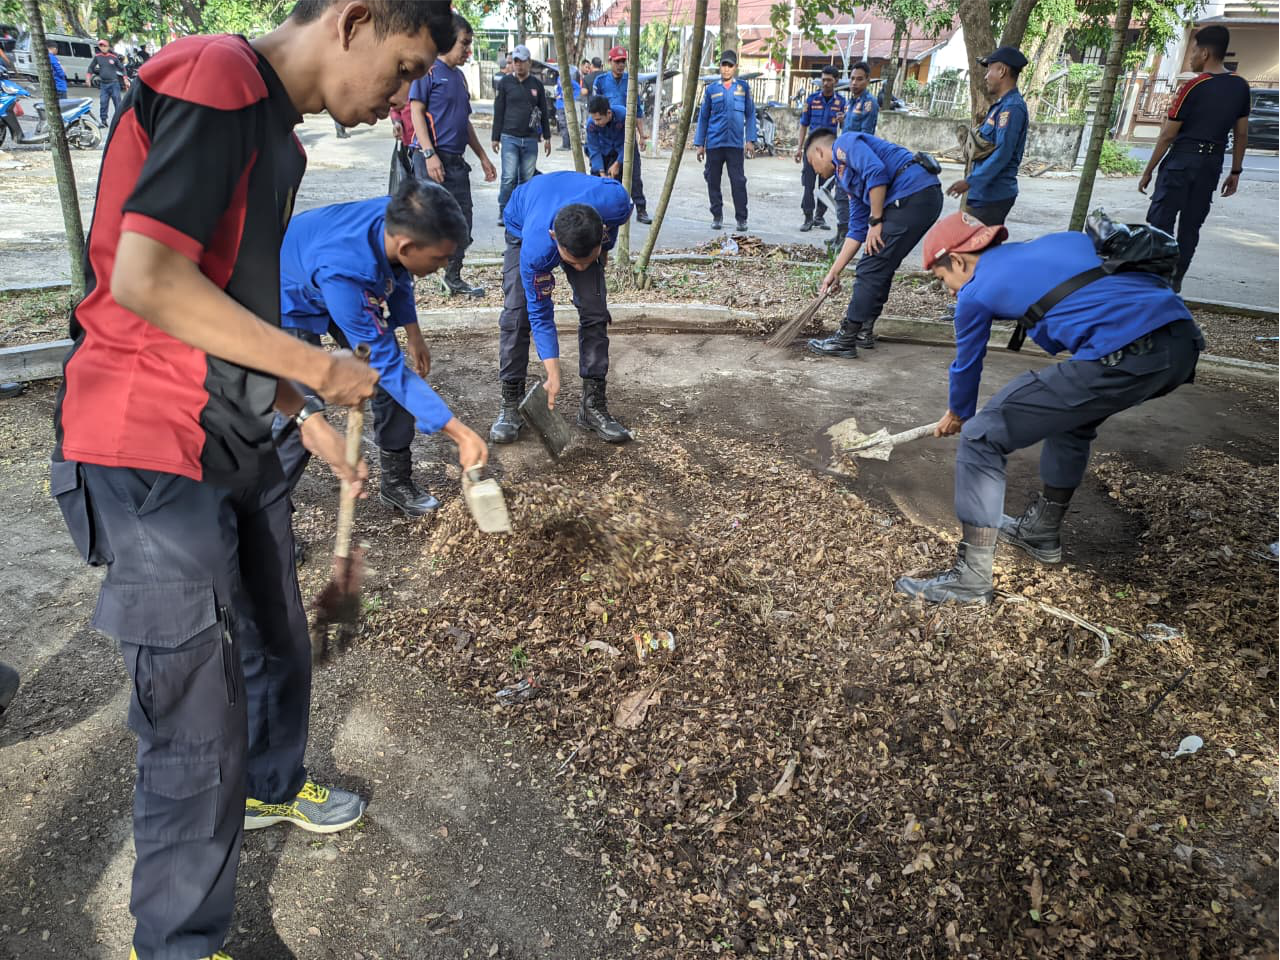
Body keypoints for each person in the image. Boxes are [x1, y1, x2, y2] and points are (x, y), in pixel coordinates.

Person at [48, 1, 457, 956]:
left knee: (279, 634)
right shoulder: (216, 75)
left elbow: (227, 308)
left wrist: (301, 414)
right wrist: (317, 366)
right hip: (148, 444)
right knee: (195, 721)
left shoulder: (281, 140)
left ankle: (271, 789)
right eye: (404, 69)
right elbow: (149, 278)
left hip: (231, 435)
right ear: (353, 20)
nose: (402, 100)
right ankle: (179, 944)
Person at [894, 212, 1203, 604]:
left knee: (982, 435)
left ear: (957, 260)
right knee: (1072, 419)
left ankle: (970, 580)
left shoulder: (975, 291)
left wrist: (958, 414)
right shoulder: (1058, 242)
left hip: (1127, 353)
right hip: (1180, 345)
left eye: (943, 280)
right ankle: (1041, 532)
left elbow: (967, 364)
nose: (950, 291)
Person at [276, 182, 488, 515]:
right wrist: (460, 433)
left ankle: (396, 481)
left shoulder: (404, 216)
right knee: (302, 409)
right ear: (406, 245)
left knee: (385, 384)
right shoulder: (347, 271)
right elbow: (388, 367)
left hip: (334, 275)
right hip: (292, 292)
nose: (444, 266)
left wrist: (413, 331)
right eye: (440, 258)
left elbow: (398, 274)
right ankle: (268, 508)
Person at [488, 170, 634, 445]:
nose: (579, 268)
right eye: (572, 261)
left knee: (594, 309)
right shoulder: (537, 249)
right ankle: (511, 402)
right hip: (524, 219)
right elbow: (540, 314)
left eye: (585, 261)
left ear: (602, 231)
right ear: (555, 238)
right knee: (518, 313)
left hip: (579, 218)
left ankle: (592, 406)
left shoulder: (616, 203)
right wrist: (553, 373)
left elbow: (615, 223)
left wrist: (604, 250)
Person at [804, 127, 943, 357]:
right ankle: (862, 331)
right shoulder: (845, 176)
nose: (815, 170)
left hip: (913, 193)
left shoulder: (844, 144)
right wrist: (834, 272)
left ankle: (846, 338)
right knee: (880, 263)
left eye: (812, 163)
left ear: (819, 151)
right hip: (919, 198)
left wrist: (876, 220)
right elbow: (857, 230)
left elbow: (876, 172)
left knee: (870, 267)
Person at [1140, 25, 1250, 292]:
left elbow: (1168, 135)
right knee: (1191, 226)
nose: (1191, 57)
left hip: (1181, 162)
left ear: (1205, 53)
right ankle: (1176, 280)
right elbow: (1242, 133)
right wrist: (1235, 171)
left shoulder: (1193, 86)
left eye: (1193, 51)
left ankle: (1158, 280)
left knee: (1161, 221)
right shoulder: (1240, 86)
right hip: (1211, 165)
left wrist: (1148, 169)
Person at [410, 12, 496, 297]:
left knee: (463, 221)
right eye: (464, 43)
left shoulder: (459, 77)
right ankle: (403, 276)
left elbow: (464, 121)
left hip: (456, 163)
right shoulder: (428, 71)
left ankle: (453, 277)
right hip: (431, 158)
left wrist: (482, 156)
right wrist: (429, 154)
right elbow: (416, 112)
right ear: (448, 40)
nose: (468, 51)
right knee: (427, 221)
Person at [946, 46, 1028, 227]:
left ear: (1002, 71)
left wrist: (970, 181)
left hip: (993, 195)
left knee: (975, 244)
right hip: (984, 194)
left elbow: (1003, 154)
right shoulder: (1001, 106)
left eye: (989, 69)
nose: (985, 76)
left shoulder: (1011, 108)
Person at [694, 50, 757, 231]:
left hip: (735, 144)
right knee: (713, 180)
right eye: (724, 65)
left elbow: (750, 114)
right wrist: (700, 144)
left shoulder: (743, 88)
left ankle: (741, 219)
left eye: (730, 65)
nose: (726, 69)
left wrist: (750, 140)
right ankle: (717, 216)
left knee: (738, 182)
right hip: (714, 144)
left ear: (735, 67)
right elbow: (703, 118)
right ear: (720, 66)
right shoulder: (711, 89)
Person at [492, 44, 551, 225]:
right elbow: (499, 110)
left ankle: (522, 213)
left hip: (530, 138)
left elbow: (544, 111)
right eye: (515, 61)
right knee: (508, 177)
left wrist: (547, 137)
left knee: (526, 179)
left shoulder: (537, 85)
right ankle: (503, 211)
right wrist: (495, 137)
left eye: (521, 61)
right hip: (509, 137)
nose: (518, 65)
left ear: (529, 62)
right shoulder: (505, 83)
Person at [592, 45, 651, 222]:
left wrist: (642, 135)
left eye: (623, 62)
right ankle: (605, 211)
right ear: (610, 62)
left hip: (626, 134)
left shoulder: (631, 81)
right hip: (605, 136)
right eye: (617, 62)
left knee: (634, 175)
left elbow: (637, 110)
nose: (620, 65)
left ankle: (641, 209)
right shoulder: (601, 81)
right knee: (603, 175)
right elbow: (594, 108)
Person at [794, 64, 845, 232]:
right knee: (808, 185)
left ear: (836, 81)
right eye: (823, 80)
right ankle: (808, 217)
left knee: (826, 186)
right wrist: (799, 148)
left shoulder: (841, 102)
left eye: (829, 80)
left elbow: (845, 128)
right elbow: (803, 125)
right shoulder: (812, 100)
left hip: (830, 152)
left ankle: (819, 217)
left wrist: (843, 121)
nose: (826, 83)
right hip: (812, 150)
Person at [584, 95, 650, 221]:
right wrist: (602, 173)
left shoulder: (624, 116)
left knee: (634, 179)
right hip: (604, 149)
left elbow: (628, 142)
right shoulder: (591, 124)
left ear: (608, 113)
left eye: (599, 119)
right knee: (598, 180)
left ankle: (641, 209)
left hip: (625, 148)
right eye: (594, 119)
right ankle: (601, 211)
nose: (596, 122)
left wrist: (618, 163)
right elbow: (594, 149)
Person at [87, 39, 127, 127]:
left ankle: (119, 121)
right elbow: (91, 68)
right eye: (101, 46)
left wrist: (125, 79)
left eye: (104, 46)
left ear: (108, 47)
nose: (103, 48)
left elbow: (122, 68)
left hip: (114, 84)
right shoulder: (97, 57)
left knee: (117, 102)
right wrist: (88, 78)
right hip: (104, 84)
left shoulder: (113, 57)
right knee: (103, 102)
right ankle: (103, 121)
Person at [554, 64, 581, 150]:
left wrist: (570, 97)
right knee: (562, 124)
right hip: (559, 105)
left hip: (565, 105)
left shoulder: (569, 79)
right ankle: (566, 143)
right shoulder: (558, 78)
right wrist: (557, 94)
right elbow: (558, 89)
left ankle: (566, 145)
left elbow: (578, 88)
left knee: (565, 124)